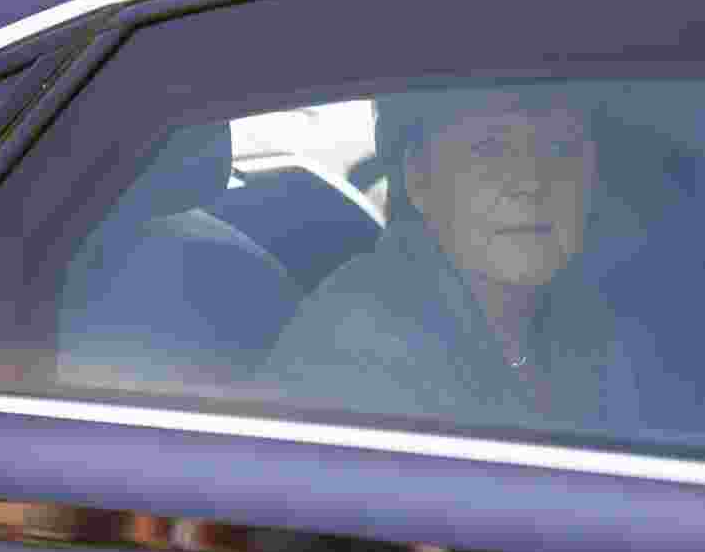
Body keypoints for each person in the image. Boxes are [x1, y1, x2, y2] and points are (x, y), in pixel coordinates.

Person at [255, 85, 641, 433]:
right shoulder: (354, 358)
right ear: (419, 177)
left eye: (559, 147)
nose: (531, 182)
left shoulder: (594, 319)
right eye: (490, 148)